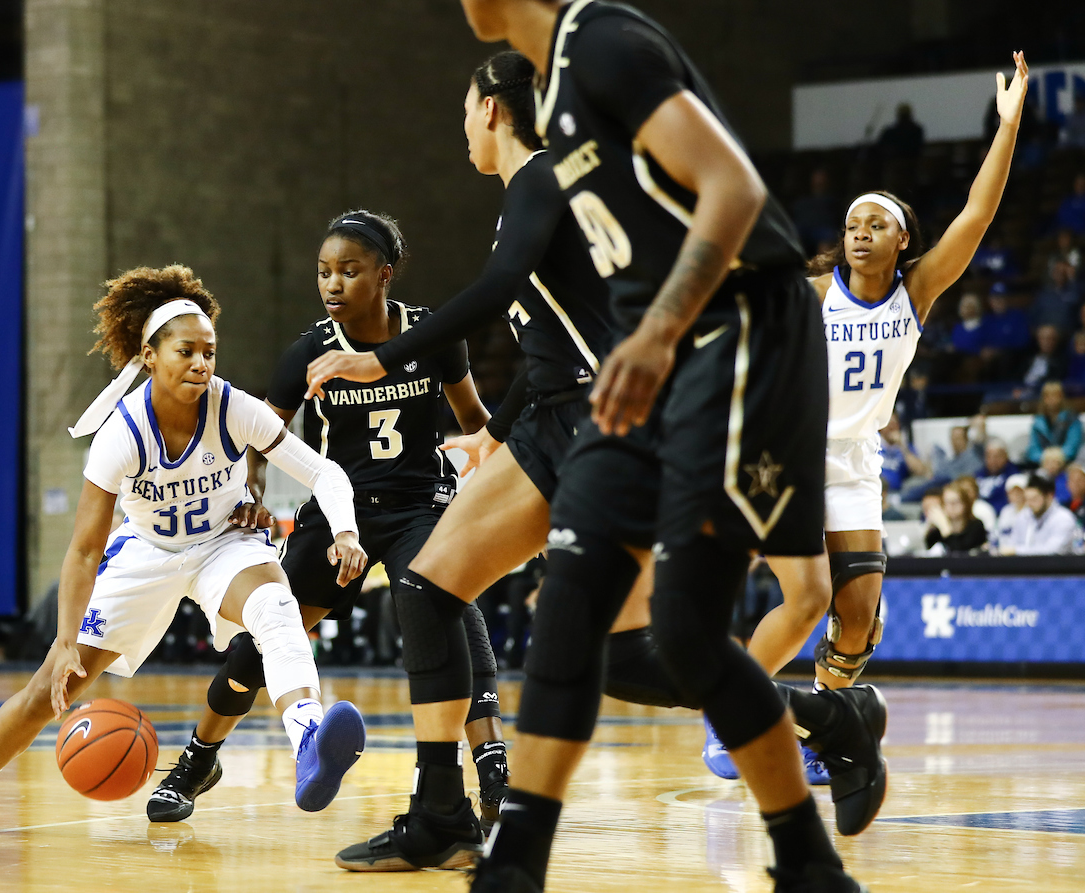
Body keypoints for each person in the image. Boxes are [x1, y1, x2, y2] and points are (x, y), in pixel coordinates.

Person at [456, 4, 901, 892]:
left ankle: (808, 851)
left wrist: (657, 332)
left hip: (743, 334)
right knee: (584, 614)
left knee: (690, 632)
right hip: (653, 354)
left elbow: (733, 192)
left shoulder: (607, 43)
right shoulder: (556, 99)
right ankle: (515, 870)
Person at [304, 52, 695, 872]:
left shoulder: (544, 180)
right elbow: (549, 346)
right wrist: (494, 430)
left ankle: (817, 714)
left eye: (463, 112)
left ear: (490, 107)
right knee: (427, 585)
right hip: (554, 417)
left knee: (624, 657)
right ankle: (440, 811)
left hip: (607, 427)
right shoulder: (531, 194)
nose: (463, 129)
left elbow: (496, 287)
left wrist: (385, 358)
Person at [0, 265, 370, 837]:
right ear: (150, 356)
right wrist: (67, 638)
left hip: (224, 542)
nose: (202, 363)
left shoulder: (233, 406)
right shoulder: (120, 434)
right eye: (186, 351)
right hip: (146, 553)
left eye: (210, 352)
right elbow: (82, 549)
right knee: (54, 685)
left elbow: (323, 473)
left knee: (276, 609)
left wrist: (345, 529)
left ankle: (310, 742)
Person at [141, 213, 511, 828]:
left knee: (450, 603)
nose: (332, 284)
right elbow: (259, 438)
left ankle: (494, 769)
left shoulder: (430, 336)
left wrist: (505, 477)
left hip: (420, 502)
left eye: (348, 270)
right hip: (340, 511)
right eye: (323, 273)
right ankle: (199, 758)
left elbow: (474, 417)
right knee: (270, 632)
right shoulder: (309, 352)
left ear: (384, 275)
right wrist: (250, 491)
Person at [725, 49, 1026, 777]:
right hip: (788, 453)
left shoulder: (915, 292)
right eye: (852, 222)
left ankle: (823, 731)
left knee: (857, 623)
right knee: (808, 599)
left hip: (855, 460)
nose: (859, 231)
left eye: (875, 224)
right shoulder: (813, 288)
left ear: (903, 241)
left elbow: (979, 213)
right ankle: (730, 718)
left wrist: (1006, 126)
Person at [1003, 472, 1080, 554]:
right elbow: (1011, 545)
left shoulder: (1064, 518)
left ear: (1049, 496)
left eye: (1034, 499)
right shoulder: (1023, 516)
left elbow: (1052, 551)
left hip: (1057, 566)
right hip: (1023, 566)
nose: (1030, 504)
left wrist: (1016, 550)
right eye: (1027, 499)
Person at [1027, 380, 1082, 464]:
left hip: (1068, 464)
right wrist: (1046, 459)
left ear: (1061, 397)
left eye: (1055, 395)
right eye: (1047, 396)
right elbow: (1033, 450)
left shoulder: (1072, 419)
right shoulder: (1037, 422)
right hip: (1043, 465)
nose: (1051, 399)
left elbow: (1072, 447)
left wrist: (1056, 459)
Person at [925, 482, 988, 553]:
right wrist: (930, 527)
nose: (951, 506)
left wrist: (945, 529)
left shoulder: (976, 526)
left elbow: (959, 553)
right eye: (947, 502)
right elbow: (928, 549)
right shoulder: (938, 529)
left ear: (965, 504)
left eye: (955, 502)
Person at [977, 436, 1019, 513]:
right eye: (989, 456)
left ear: (1005, 456)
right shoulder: (979, 474)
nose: (992, 460)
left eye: (996, 456)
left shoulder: (1013, 476)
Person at [992, 473, 1027, 550]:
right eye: (1013, 492)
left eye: (1020, 491)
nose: (1016, 495)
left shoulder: (1031, 511)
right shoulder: (1006, 511)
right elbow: (998, 534)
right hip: (1003, 553)